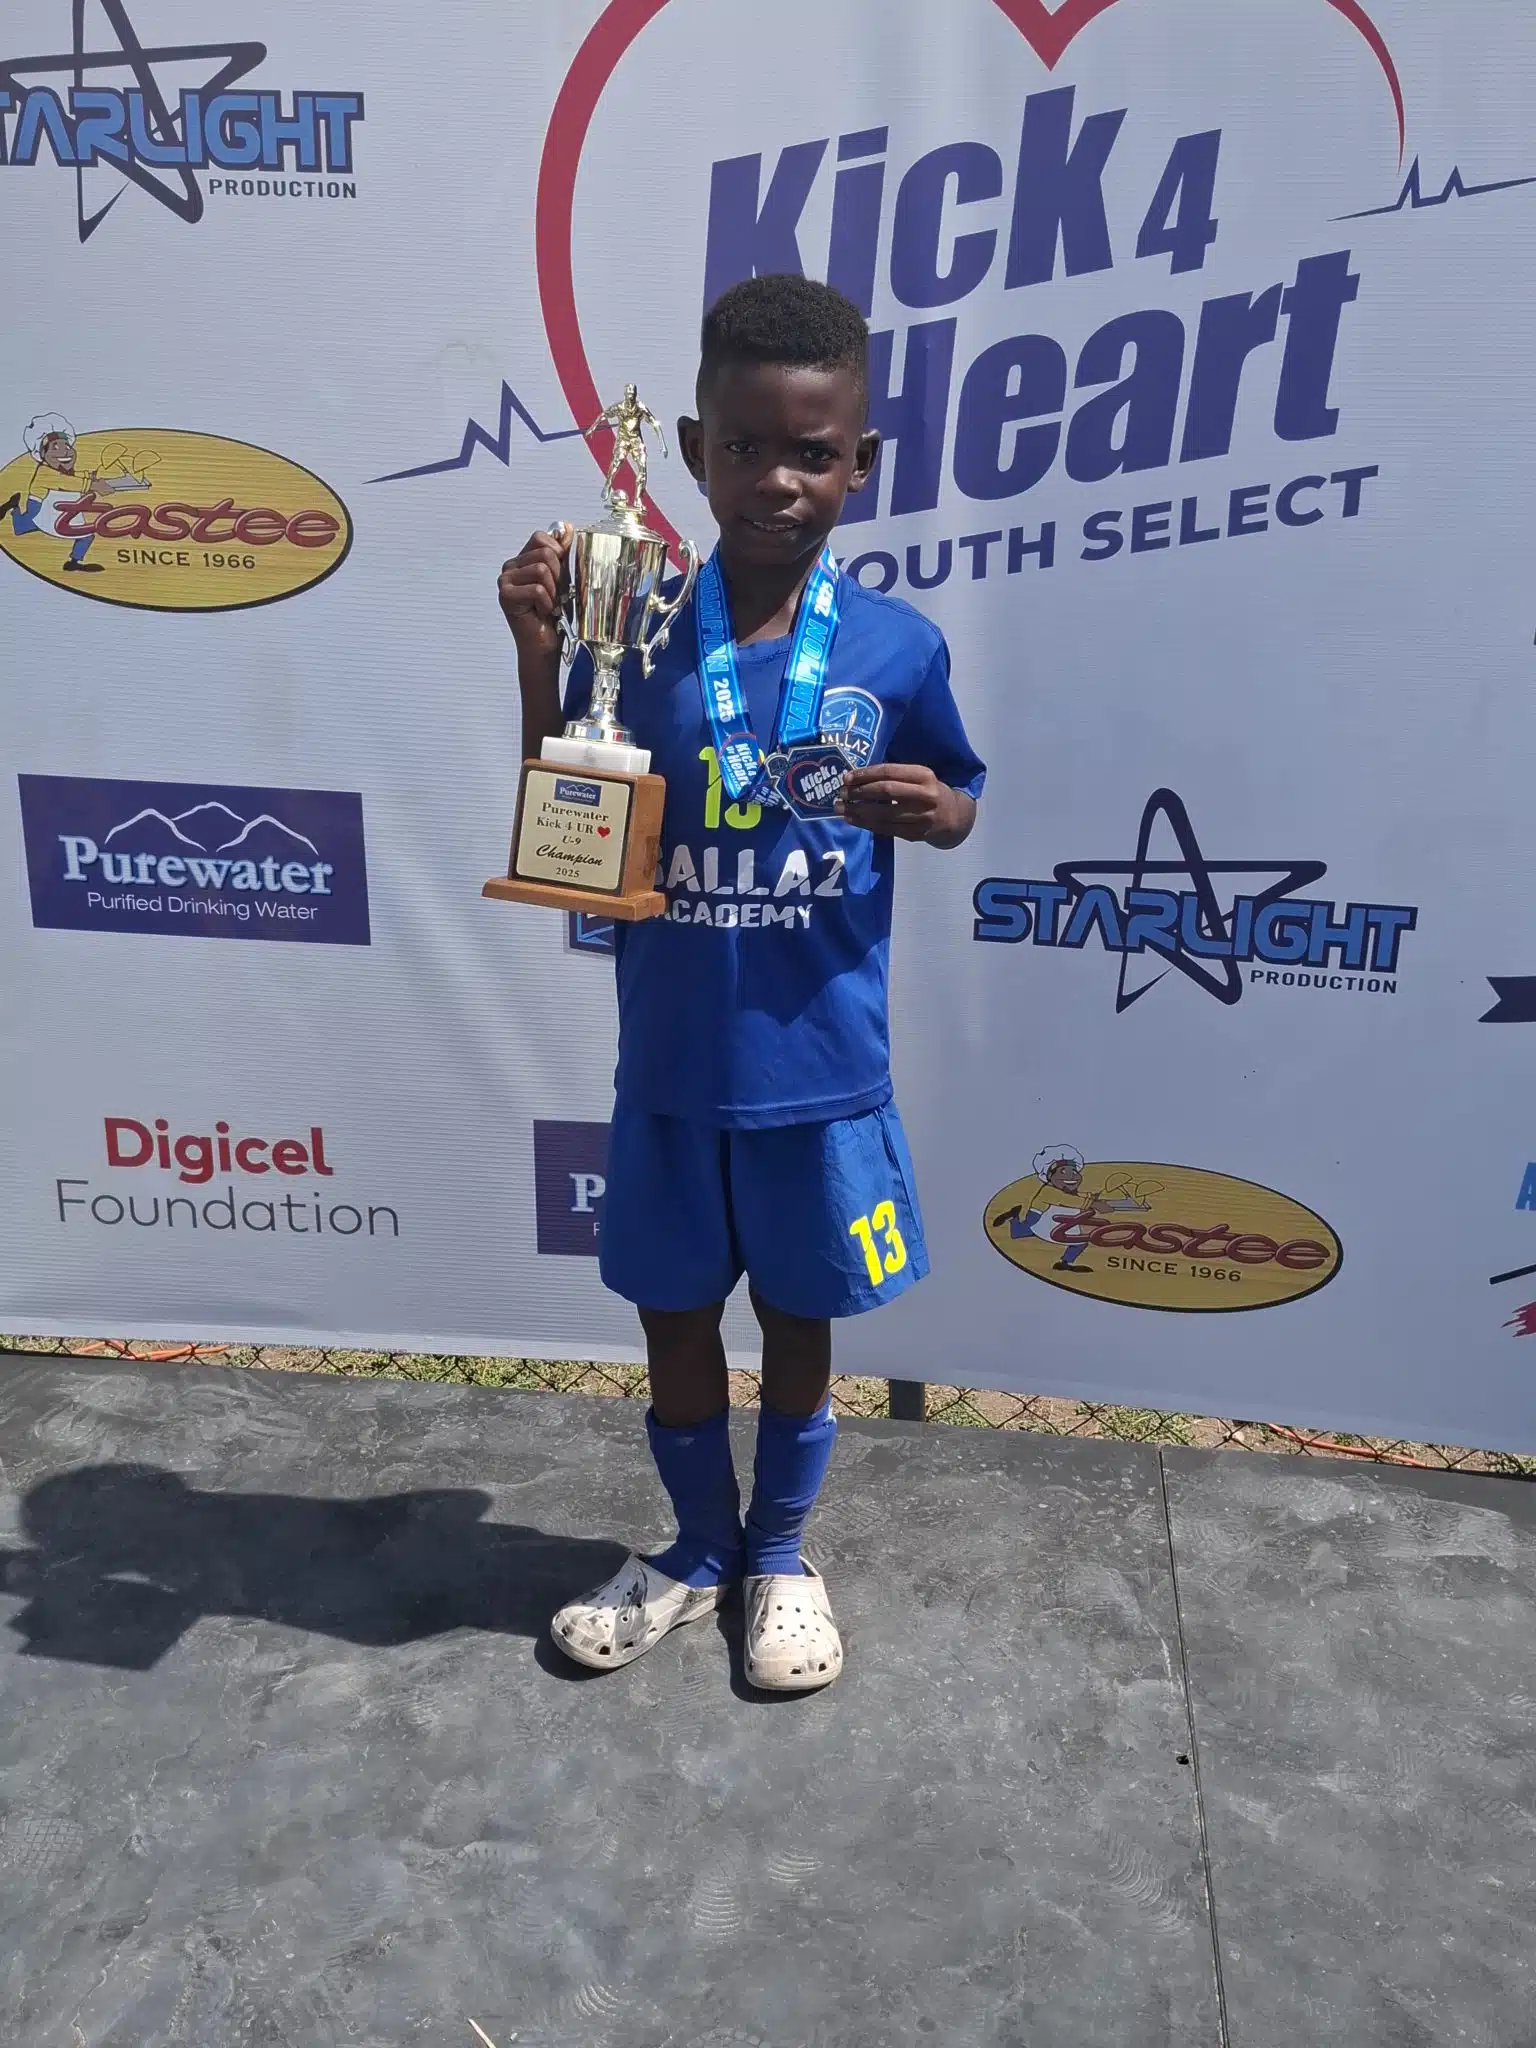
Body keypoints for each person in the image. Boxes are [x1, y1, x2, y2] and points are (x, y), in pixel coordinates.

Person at [497, 275, 985, 1691]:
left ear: (861, 462)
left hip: (817, 1068)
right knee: (671, 1316)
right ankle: (697, 1548)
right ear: (695, 451)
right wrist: (540, 654)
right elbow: (568, 821)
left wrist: (940, 813)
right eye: (749, 449)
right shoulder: (636, 631)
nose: (780, 481)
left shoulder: (897, 644)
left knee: (797, 1322)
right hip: (671, 1067)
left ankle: (779, 1554)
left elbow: (958, 796)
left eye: (813, 453)